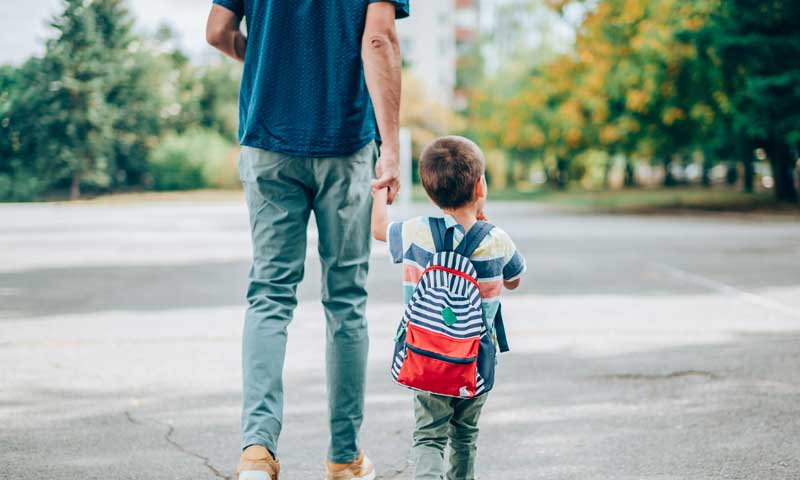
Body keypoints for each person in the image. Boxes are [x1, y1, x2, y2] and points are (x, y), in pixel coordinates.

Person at [205, 0, 409, 479]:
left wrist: (265, 59)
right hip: (345, 141)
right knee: (345, 301)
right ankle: (343, 458)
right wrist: (393, 148)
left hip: (268, 138)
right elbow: (378, 40)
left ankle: (257, 452)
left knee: (270, 295)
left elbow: (217, 30)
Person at [371, 136, 526, 480]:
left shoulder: (416, 232)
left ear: (429, 194)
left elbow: (378, 229)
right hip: (474, 363)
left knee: (428, 436)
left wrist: (381, 189)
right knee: (465, 435)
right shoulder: (496, 239)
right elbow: (514, 279)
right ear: (480, 185)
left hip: (425, 357)